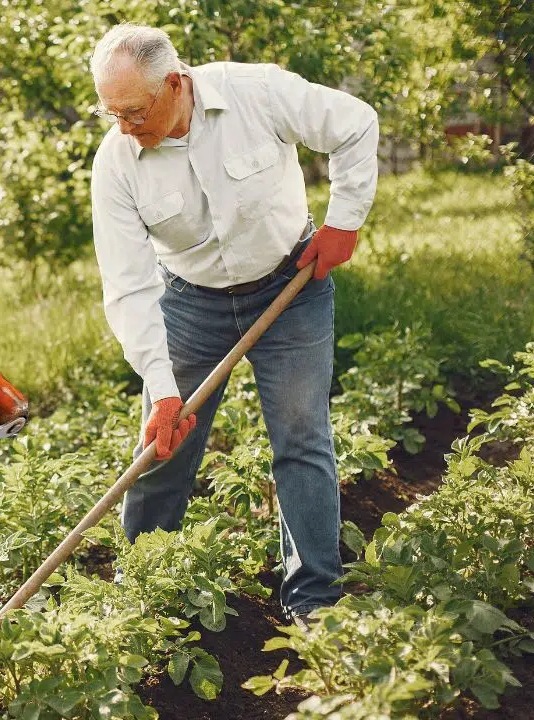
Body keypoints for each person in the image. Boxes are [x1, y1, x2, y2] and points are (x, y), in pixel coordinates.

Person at [87, 23, 379, 626]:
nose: (124, 126)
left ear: (175, 84)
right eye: (110, 112)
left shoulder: (256, 93)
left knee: (301, 437)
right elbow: (130, 284)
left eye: (134, 111)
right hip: (189, 302)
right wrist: (163, 390)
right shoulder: (117, 162)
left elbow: (355, 123)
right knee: (164, 443)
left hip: (290, 285)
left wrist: (344, 221)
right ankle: (143, 588)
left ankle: (315, 598)